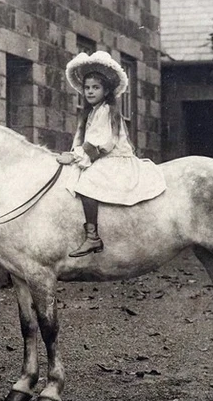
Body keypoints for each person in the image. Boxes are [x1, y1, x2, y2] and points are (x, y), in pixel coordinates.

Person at [57, 50, 167, 257]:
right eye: (87, 88)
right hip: (102, 156)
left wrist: (73, 157)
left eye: (95, 88)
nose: (90, 92)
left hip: (113, 159)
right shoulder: (92, 111)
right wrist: (73, 153)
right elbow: (83, 141)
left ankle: (93, 237)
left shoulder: (107, 110)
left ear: (106, 91)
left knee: (87, 183)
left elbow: (100, 144)